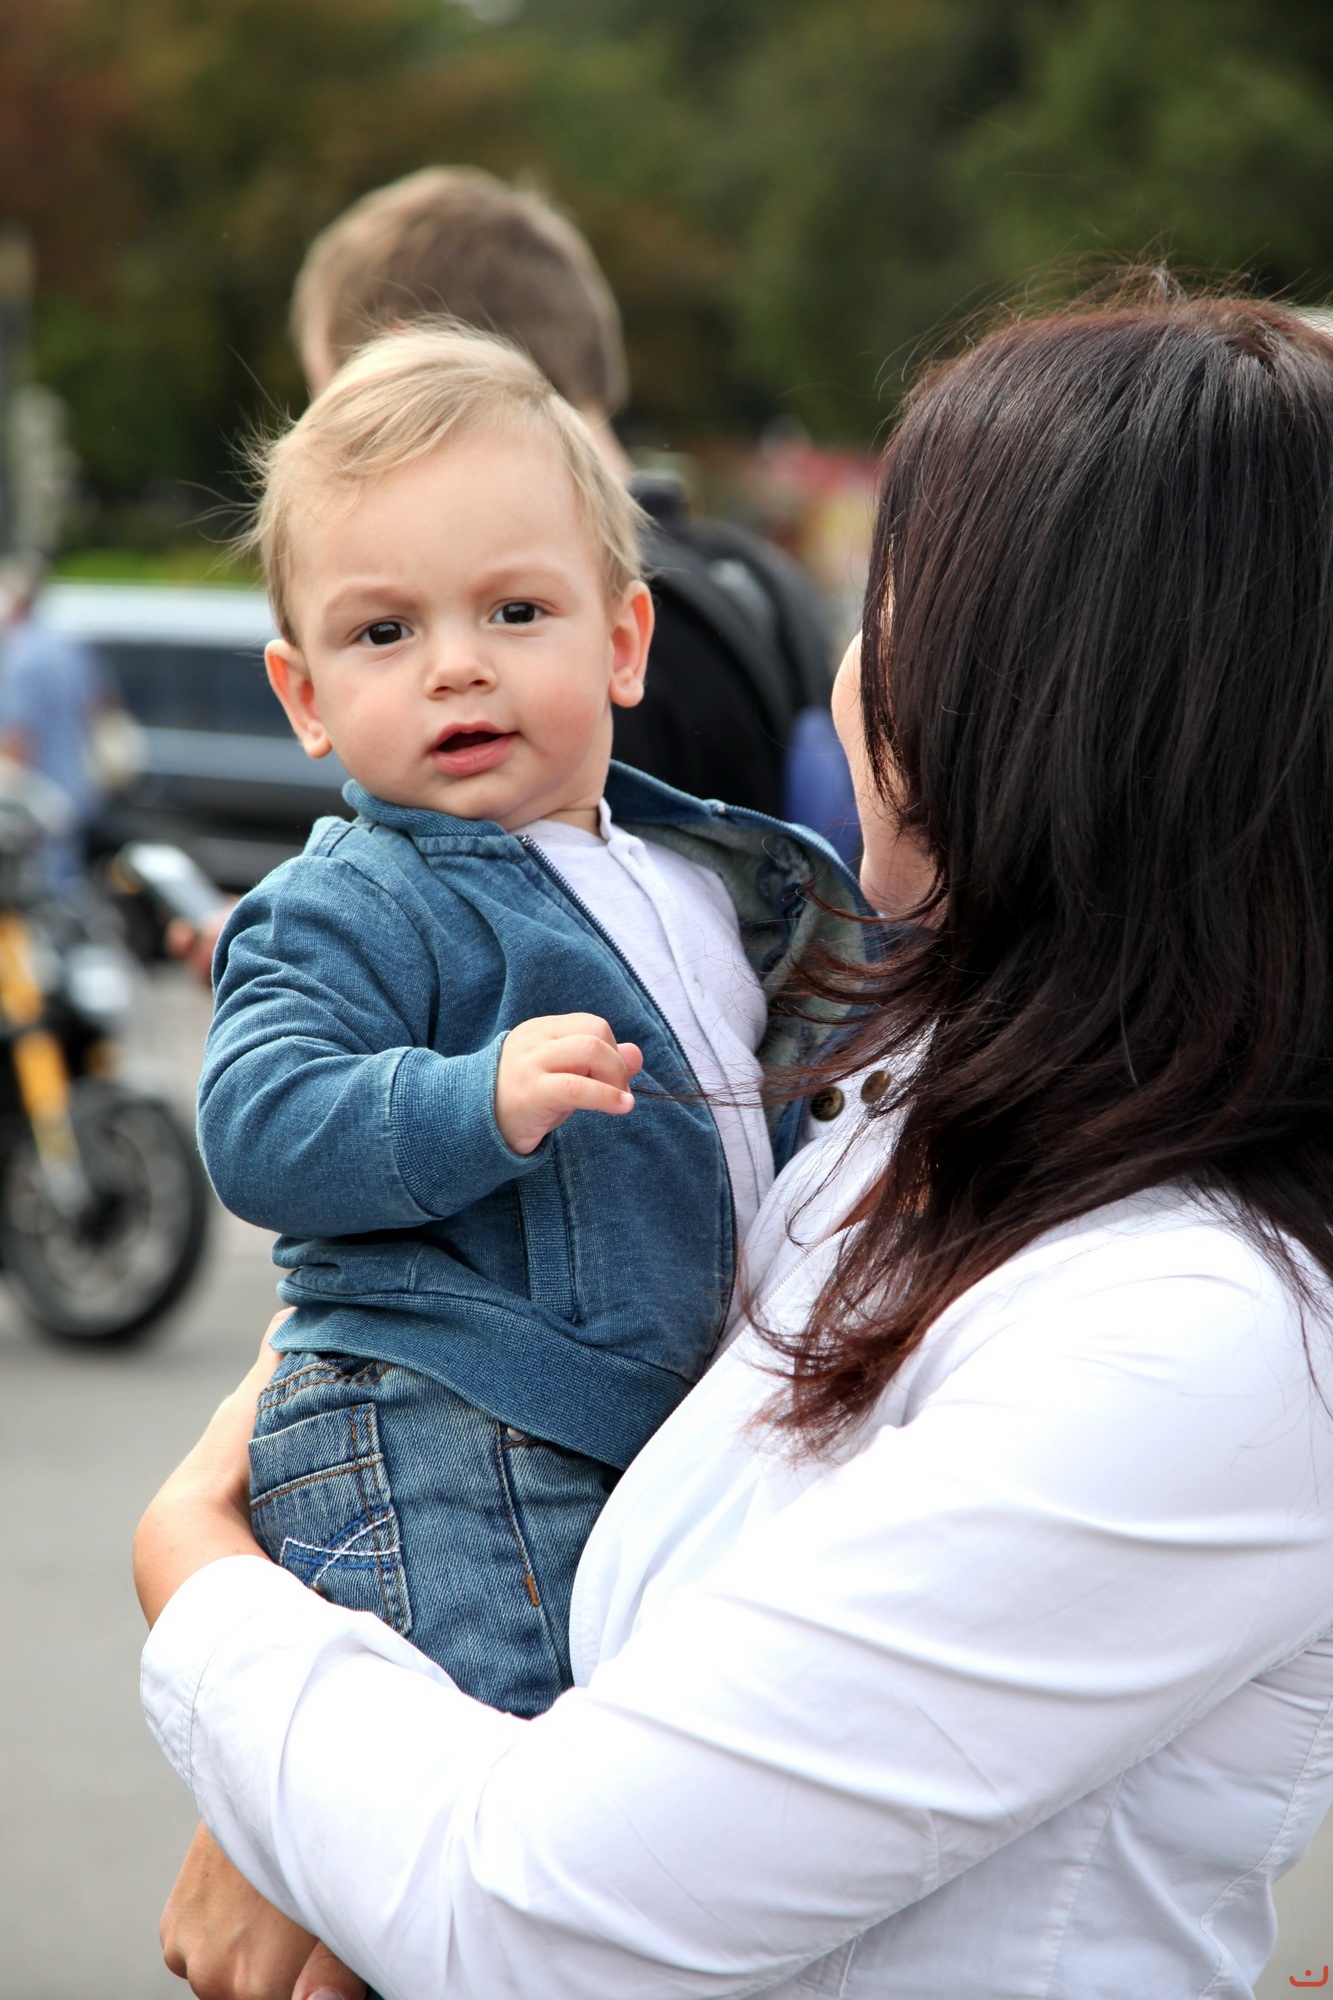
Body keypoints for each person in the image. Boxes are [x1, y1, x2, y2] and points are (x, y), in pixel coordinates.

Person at [138, 290, 1333, 2000]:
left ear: (1046, 711)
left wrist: (202, 1586)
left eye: (892, 611)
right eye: (383, 630)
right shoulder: (906, 1090)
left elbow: (525, 1908)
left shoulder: (1195, 1335)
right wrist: (320, 1787)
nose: (844, 677)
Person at [195, 322, 864, 1718]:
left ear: (621, 641)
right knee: (498, 1796)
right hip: (439, 1430)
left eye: (513, 612)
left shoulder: (700, 879)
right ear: (305, 696)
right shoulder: (347, 902)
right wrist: (473, 1098)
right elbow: (256, 1124)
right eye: (384, 631)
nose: (455, 666)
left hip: (624, 1438)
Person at [0, 552, 113, 886]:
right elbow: (101, 704)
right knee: (68, 885)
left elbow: (18, 737)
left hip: (37, 800)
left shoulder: (19, 654)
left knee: (36, 889)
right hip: (77, 787)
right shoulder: (67, 646)